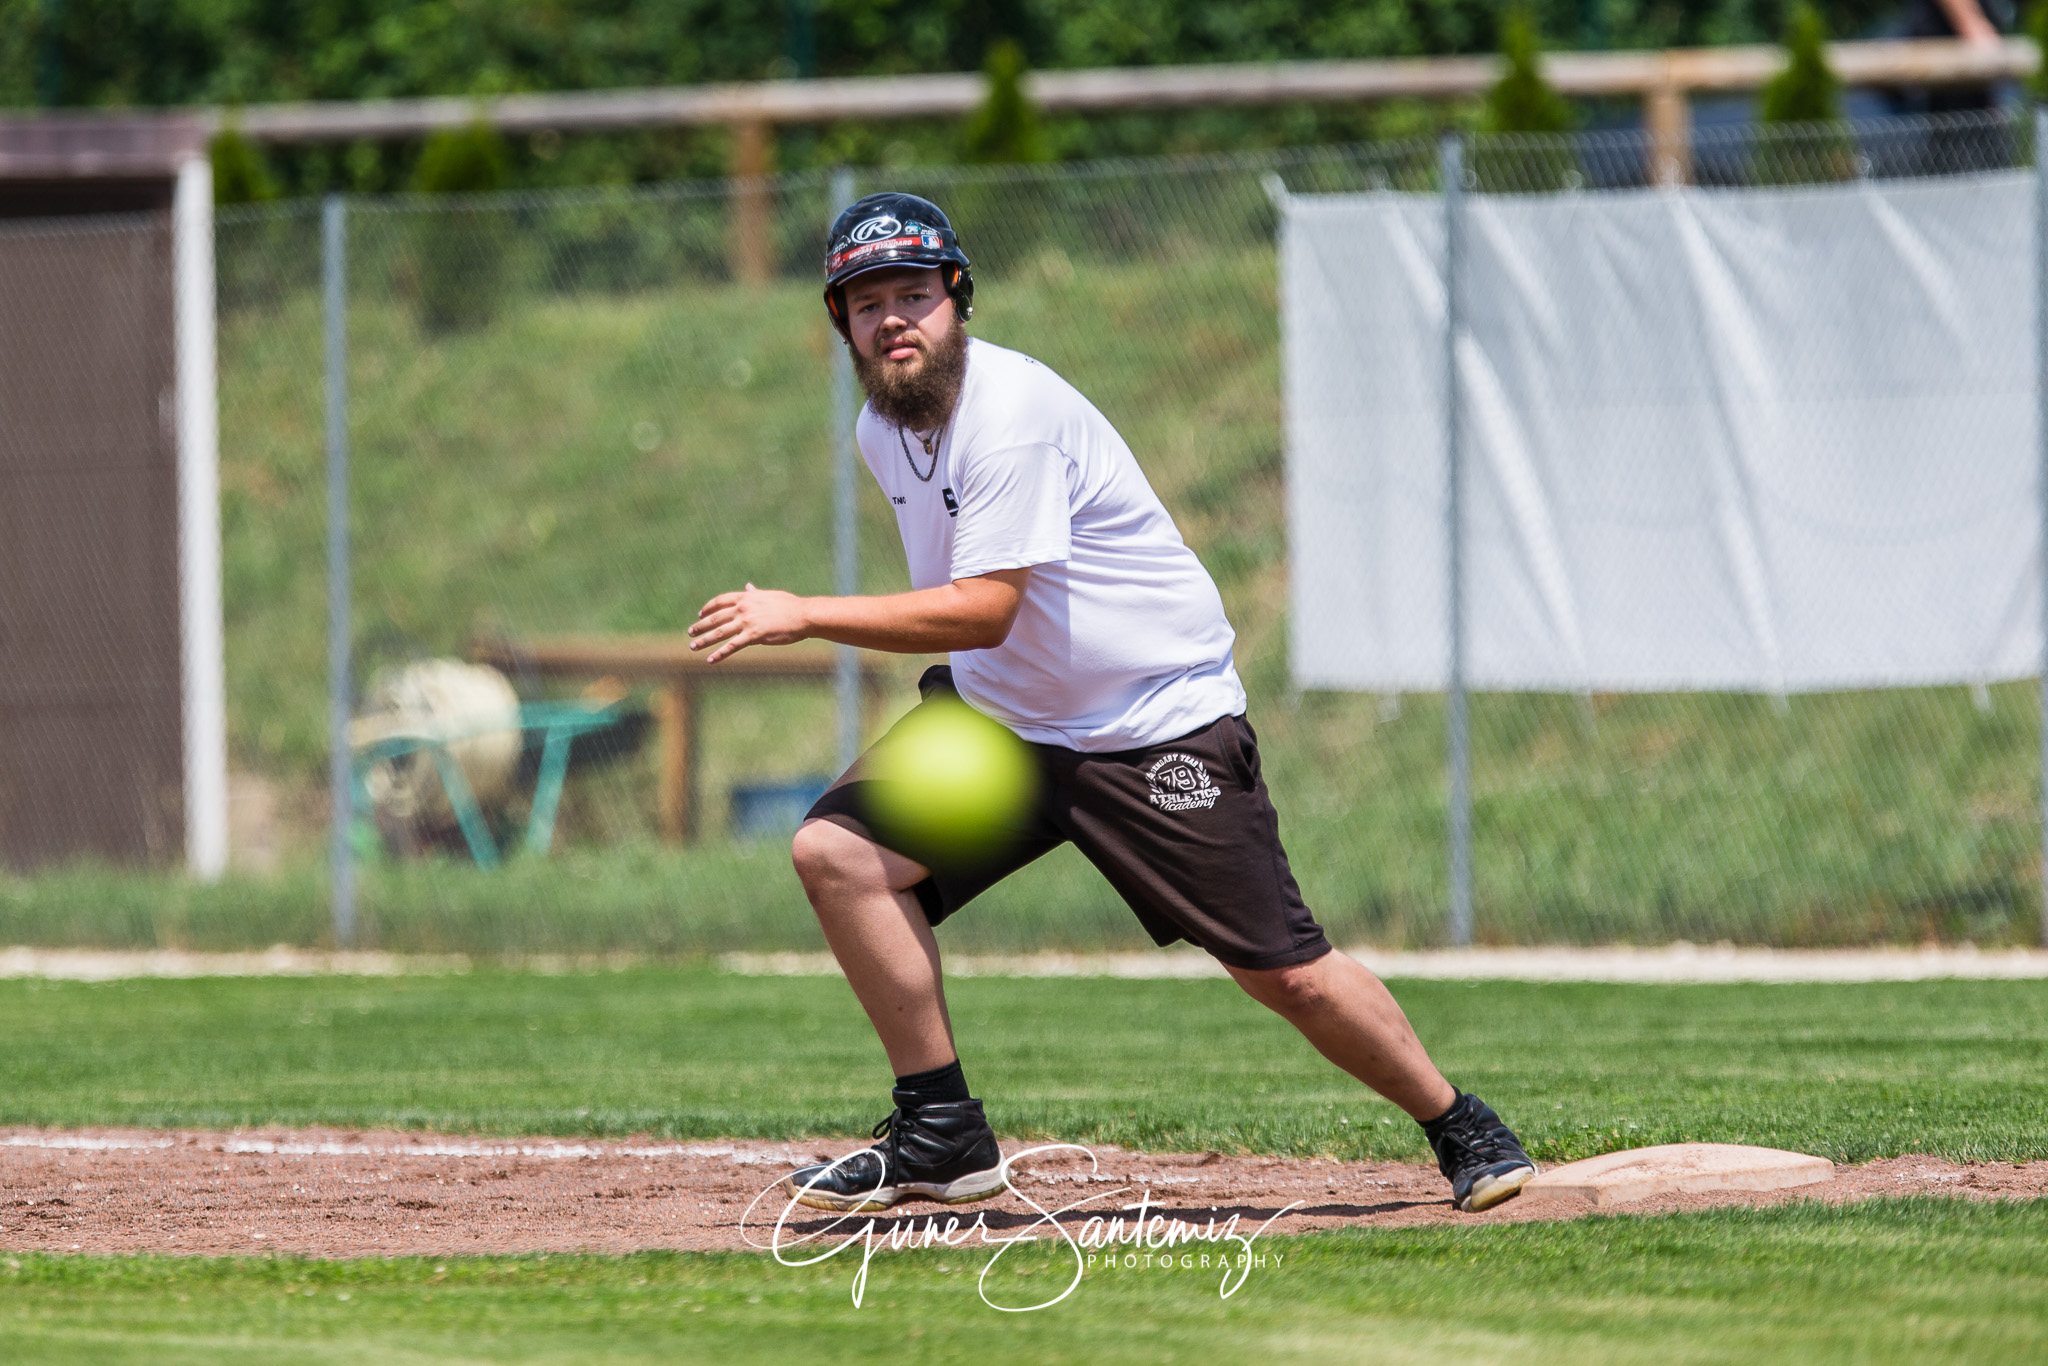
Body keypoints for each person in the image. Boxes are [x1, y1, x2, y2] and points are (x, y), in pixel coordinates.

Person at [687, 192, 1535, 1216]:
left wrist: (805, 613)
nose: (892, 320)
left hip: (1146, 726)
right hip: (1002, 724)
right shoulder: (883, 425)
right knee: (836, 853)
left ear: (957, 298)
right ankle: (941, 1130)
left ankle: (1459, 1123)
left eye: (914, 293)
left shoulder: (1009, 417)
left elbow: (986, 607)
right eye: (865, 304)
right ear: (841, 326)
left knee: (1284, 972)